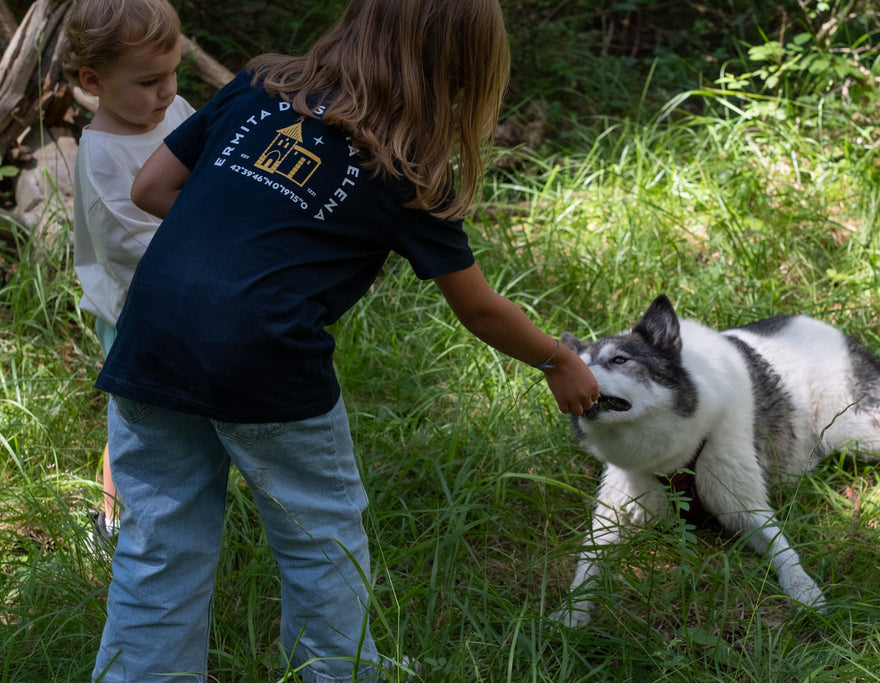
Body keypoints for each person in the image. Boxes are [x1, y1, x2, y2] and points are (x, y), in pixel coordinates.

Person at [91, 0, 599, 681]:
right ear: (461, 70)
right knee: (320, 540)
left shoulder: (259, 86)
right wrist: (558, 357)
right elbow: (478, 310)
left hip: (151, 336)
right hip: (265, 356)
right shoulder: (409, 165)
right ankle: (336, 671)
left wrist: (240, 240)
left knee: (157, 540)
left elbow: (152, 186)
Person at [63, 0, 195, 546]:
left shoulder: (177, 110)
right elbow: (133, 251)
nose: (166, 92)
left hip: (190, 300)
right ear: (94, 80)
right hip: (135, 315)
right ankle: (113, 522)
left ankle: (175, 505)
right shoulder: (101, 156)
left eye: (172, 74)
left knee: (176, 424)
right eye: (148, 81)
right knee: (138, 425)